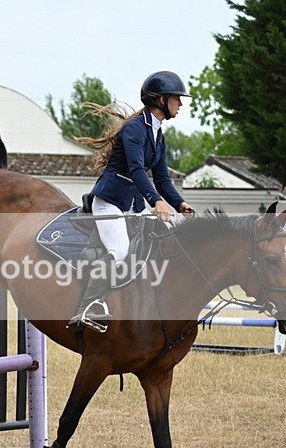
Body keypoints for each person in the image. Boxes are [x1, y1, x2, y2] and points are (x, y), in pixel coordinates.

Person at [69, 71, 195, 333]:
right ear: (161, 99)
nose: (180, 104)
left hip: (133, 205)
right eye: (177, 99)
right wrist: (156, 202)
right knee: (119, 249)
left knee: (164, 240)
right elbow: (137, 170)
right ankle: (87, 308)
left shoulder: (158, 136)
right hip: (109, 201)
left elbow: (162, 179)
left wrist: (179, 203)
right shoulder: (134, 130)